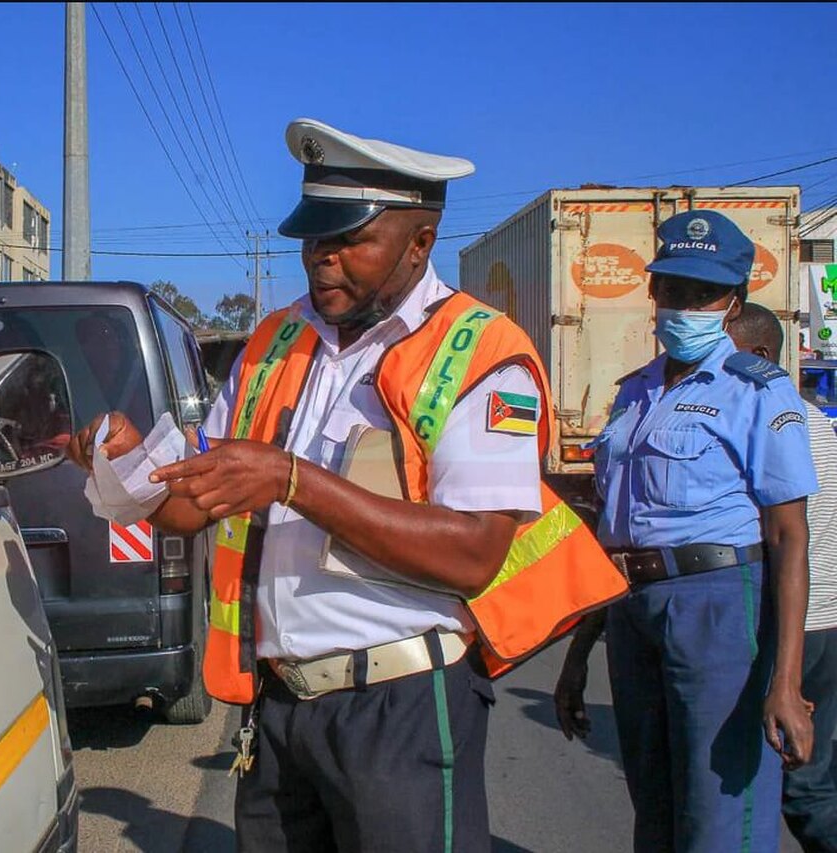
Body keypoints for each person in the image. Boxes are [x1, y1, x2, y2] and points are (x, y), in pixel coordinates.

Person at [69, 118, 619, 852]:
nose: (322, 260)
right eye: (313, 238)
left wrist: (293, 480)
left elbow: (474, 555)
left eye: (349, 240)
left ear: (420, 242)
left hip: (400, 712)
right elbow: (189, 507)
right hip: (282, 710)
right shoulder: (273, 343)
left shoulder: (483, 353)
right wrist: (130, 465)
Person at [554, 211, 817, 852]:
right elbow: (614, 531)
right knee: (655, 808)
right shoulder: (633, 394)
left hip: (719, 603)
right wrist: (577, 656)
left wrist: (786, 683)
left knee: (720, 810)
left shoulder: (758, 391)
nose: (681, 305)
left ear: (733, 303)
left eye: (701, 294)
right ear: (652, 291)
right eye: (670, 288)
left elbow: (789, 538)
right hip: (631, 606)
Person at [729, 303, 837, 852]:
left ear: (762, 356)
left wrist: (784, 679)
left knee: (801, 783)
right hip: (823, 622)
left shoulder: (777, 425)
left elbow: (785, 540)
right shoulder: (813, 421)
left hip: (799, 628)